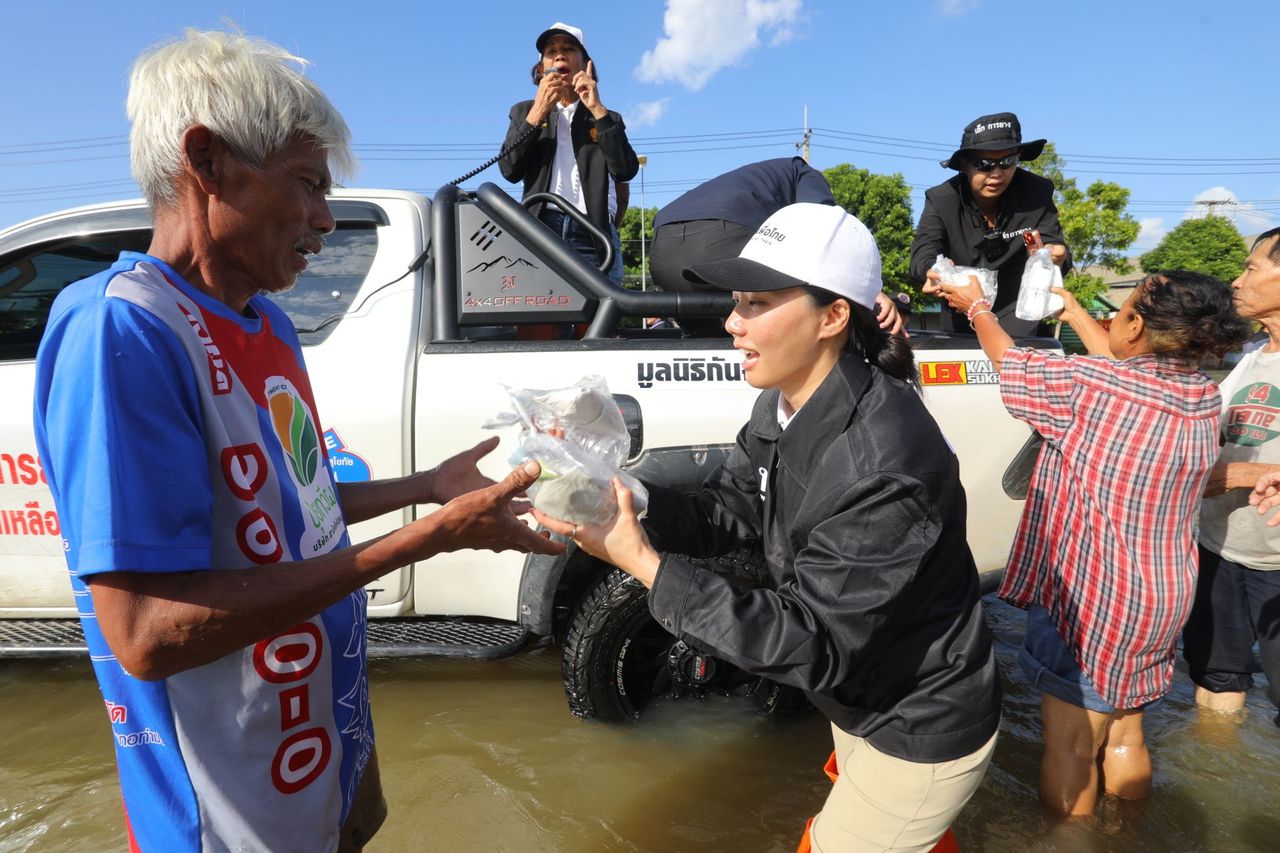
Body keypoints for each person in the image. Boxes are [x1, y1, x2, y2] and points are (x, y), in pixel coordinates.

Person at [32, 30, 562, 852]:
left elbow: (294, 508)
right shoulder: (121, 328)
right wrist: (427, 539)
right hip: (224, 816)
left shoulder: (268, 324)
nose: (324, 217)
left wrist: (426, 486)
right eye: (309, 184)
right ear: (205, 162)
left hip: (318, 756)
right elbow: (142, 634)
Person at [535, 203, 1001, 852]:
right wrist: (624, 497)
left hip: (916, 718)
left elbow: (812, 643)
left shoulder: (885, 461)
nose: (732, 322)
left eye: (756, 302)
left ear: (834, 315)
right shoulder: (781, 402)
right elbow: (730, 508)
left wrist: (640, 561)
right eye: (735, 301)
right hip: (861, 696)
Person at [938, 268, 1249, 815]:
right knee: (1127, 734)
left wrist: (976, 308)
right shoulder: (1202, 398)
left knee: (1071, 746)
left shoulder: (1088, 387)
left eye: (1124, 310)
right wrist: (1077, 312)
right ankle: (1125, 834)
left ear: (1134, 327)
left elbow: (1011, 362)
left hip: (1092, 600)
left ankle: (1072, 839)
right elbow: (1125, 368)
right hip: (1163, 596)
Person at [1183, 227, 1280, 719]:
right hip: (1219, 549)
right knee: (1217, 682)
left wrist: (1250, 474)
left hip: (1276, 564)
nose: (1236, 281)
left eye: (1251, 268)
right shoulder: (1249, 359)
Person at [648, 157, 904, 336]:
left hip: (661, 250)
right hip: (722, 231)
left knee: (710, 339)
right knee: (805, 295)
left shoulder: (747, 179)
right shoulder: (802, 171)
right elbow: (823, 224)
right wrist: (867, 291)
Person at [499, 22, 638, 285]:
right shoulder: (523, 112)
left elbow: (625, 170)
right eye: (551, 51)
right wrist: (538, 111)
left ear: (586, 65)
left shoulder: (607, 117)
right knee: (539, 321)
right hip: (540, 229)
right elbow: (509, 170)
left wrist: (597, 109)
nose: (559, 55)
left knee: (596, 322)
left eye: (569, 48)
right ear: (541, 69)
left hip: (592, 232)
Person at [911, 112, 1071, 336]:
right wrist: (934, 271)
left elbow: (1054, 244)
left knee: (1018, 360)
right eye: (984, 164)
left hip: (1021, 309)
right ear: (965, 165)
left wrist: (1057, 254)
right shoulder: (941, 200)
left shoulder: (1037, 192)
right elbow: (922, 254)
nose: (997, 173)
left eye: (1007, 162)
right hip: (962, 310)